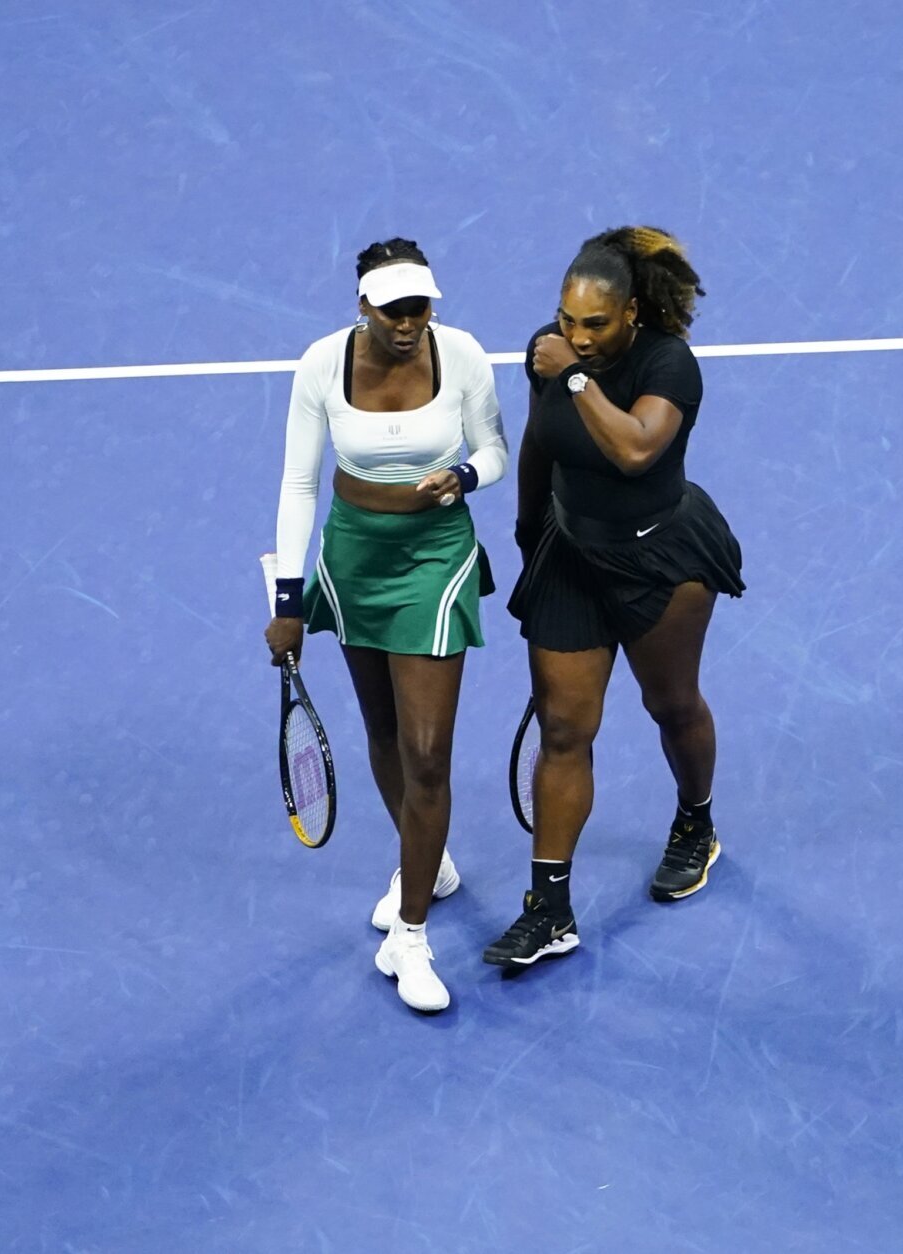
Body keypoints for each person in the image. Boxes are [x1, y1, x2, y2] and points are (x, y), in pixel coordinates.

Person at [485, 226, 745, 968]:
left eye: (595, 323)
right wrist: (529, 530)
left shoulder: (668, 363)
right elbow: (540, 440)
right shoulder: (549, 353)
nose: (577, 336)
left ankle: (695, 822)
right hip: (571, 557)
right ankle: (549, 910)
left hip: (661, 561)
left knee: (672, 705)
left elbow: (634, 448)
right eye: (567, 320)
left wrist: (574, 377)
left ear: (631, 313)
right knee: (565, 729)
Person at [266, 238, 507, 1011]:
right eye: (394, 309)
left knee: (427, 752)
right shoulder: (320, 364)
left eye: (419, 308)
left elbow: (495, 450)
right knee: (384, 732)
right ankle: (429, 863)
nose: (408, 323)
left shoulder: (461, 354)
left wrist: (464, 475)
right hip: (354, 560)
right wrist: (288, 602)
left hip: (435, 559)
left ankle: (409, 936)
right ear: (363, 306)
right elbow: (299, 483)